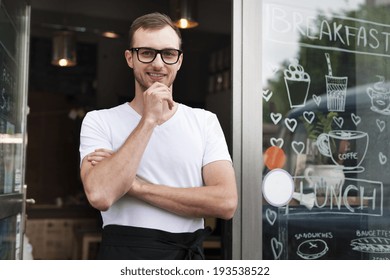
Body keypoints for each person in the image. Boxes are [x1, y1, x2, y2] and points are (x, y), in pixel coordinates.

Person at [79, 12, 237, 260]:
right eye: (146, 52)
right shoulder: (99, 121)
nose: (158, 63)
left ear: (179, 61)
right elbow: (100, 195)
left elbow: (226, 202)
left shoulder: (204, 121)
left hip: (186, 257)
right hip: (124, 255)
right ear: (130, 58)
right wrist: (148, 120)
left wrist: (136, 186)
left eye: (168, 53)